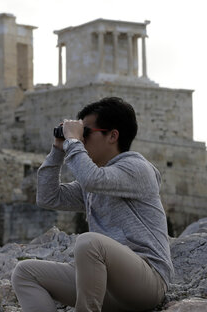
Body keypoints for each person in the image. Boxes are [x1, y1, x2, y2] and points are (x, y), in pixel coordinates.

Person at [11, 97, 173, 312]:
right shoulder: (97, 181)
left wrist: (73, 142)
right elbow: (48, 197)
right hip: (105, 285)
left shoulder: (137, 168)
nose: (81, 139)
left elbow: (91, 179)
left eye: (85, 133)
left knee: (90, 242)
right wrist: (57, 150)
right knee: (25, 272)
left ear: (113, 136)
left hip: (147, 281)